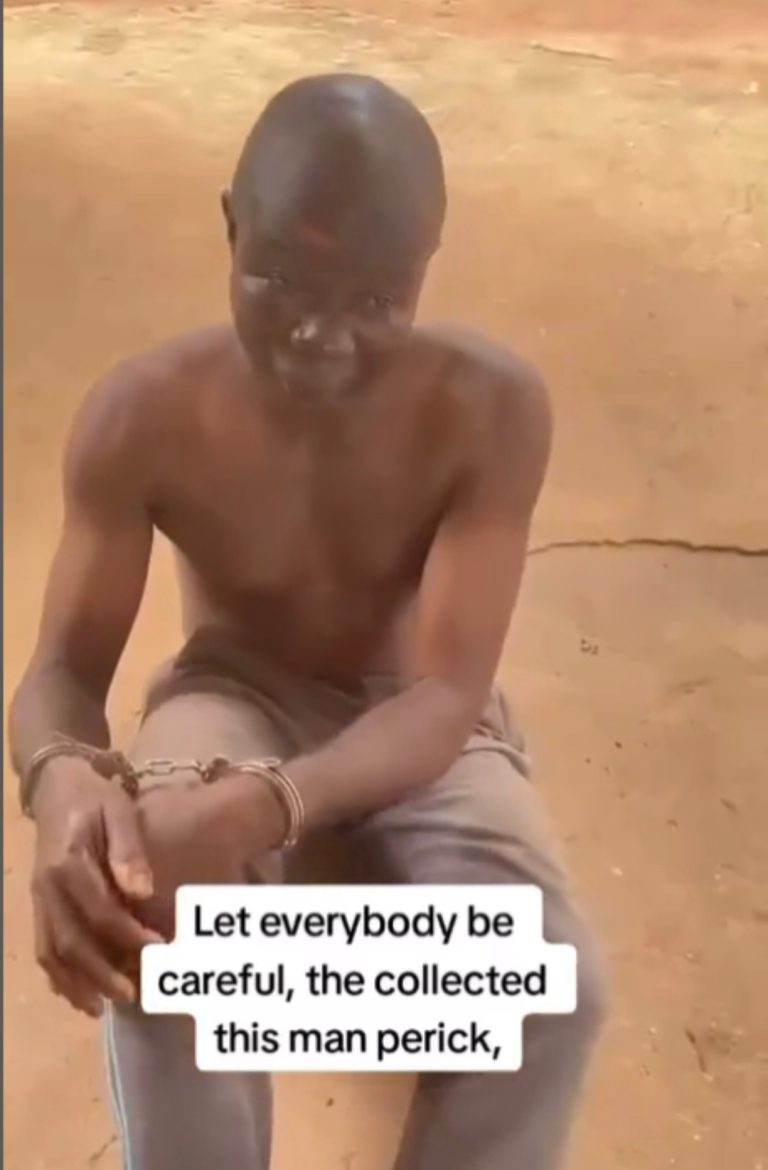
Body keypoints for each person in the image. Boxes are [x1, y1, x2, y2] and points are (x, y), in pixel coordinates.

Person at [8, 73, 606, 1170]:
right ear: (230, 224)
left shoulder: (489, 408)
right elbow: (61, 671)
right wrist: (61, 783)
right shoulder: (144, 413)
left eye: (375, 298)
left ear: (427, 264)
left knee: (549, 989)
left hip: (413, 711)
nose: (321, 333)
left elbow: (447, 694)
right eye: (279, 276)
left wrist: (268, 808)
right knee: (157, 923)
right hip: (228, 693)